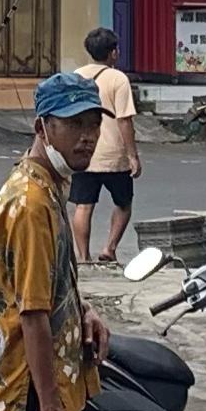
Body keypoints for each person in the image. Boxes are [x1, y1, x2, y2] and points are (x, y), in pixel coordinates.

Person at [0, 71, 111, 411]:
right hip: (26, 398)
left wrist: (80, 310)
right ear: (43, 127)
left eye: (94, 124)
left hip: (34, 391)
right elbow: (32, 314)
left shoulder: (49, 187)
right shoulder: (32, 203)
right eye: (75, 124)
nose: (87, 137)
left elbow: (43, 288)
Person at [71, 27, 140, 265]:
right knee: (124, 203)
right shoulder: (118, 79)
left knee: (83, 205)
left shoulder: (77, 76)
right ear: (112, 53)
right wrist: (133, 155)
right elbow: (124, 119)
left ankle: (83, 257)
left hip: (82, 150)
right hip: (113, 155)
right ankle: (109, 248)